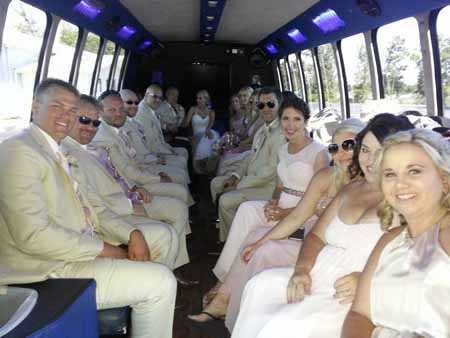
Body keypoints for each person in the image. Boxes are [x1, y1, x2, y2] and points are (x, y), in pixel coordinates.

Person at [0, 79, 176, 338]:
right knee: (160, 282)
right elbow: (34, 236)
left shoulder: (53, 150)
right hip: (43, 268)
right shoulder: (19, 150)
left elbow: (91, 208)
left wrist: (131, 234)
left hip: (69, 251)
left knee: (153, 258)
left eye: (72, 110)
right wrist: (110, 250)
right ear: (35, 106)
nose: (66, 116)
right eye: (57, 106)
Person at [231, 113, 413, 338]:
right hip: (319, 272)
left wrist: (366, 281)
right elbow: (316, 236)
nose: (369, 160)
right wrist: (302, 270)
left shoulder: (407, 198)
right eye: (365, 150)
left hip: (350, 291)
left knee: (283, 326)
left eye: (380, 152)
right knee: (258, 287)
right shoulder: (351, 189)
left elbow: (414, 261)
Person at [189, 95, 333, 324]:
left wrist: (284, 213)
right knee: (247, 210)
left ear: (306, 122)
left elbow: (320, 200)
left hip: (302, 214)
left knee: (254, 236)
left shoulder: (318, 153)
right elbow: (279, 184)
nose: (290, 125)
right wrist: (273, 202)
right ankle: (225, 278)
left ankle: (223, 293)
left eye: (297, 119)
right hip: (282, 205)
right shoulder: (284, 149)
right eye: (286, 119)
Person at [342, 129, 450, 338]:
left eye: (414, 171)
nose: (400, 184)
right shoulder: (389, 240)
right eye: (390, 174)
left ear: (444, 180)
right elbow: (358, 315)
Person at [62, 94, 190, 269]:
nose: (90, 127)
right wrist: (131, 204)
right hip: (109, 217)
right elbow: (95, 205)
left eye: (95, 122)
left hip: (125, 197)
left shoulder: (88, 146)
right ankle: (160, 277)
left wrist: (134, 190)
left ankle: (170, 268)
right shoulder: (69, 154)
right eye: (84, 120)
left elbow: (119, 174)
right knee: (165, 232)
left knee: (176, 209)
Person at [89, 90, 193, 205]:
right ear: (100, 112)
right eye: (112, 110)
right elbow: (128, 171)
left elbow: (134, 157)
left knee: (180, 179)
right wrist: (157, 178)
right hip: (130, 187)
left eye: (121, 109)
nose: (118, 113)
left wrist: (155, 171)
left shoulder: (118, 129)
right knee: (179, 193)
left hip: (139, 174)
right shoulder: (105, 137)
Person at [211, 87, 286, 241]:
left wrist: (239, 185)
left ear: (280, 105)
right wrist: (234, 176)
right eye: (261, 105)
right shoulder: (262, 130)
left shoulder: (281, 133)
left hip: (268, 187)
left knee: (226, 200)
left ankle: (237, 241)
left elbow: (270, 171)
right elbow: (249, 158)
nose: (265, 109)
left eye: (270, 104)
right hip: (252, 179)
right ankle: (227, 231)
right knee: (216, 183)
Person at [120, 88, 188, 172]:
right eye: (129, 102)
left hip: (151, 156)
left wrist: (169, 150)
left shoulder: (144, 115)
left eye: (136, 103)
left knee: (183, 154)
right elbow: (148, 145)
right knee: (180, 166)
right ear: (146, 95)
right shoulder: (141, 115)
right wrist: (157, 158)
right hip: (146, 163)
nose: (134, 105)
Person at [135, 84, 189, 163]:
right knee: (182, 156)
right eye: (154, 96)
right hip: (155, 149)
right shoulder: (142, 113)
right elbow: (152, 144)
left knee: (184, 150)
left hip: (165, 140)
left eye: (160, 98)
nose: (158, 100)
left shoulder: (151, 110)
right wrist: (170, 152)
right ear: (146, 95)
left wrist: (169, 149)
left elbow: (157, 137)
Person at [184, 89, 220, 173]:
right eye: (197, 98)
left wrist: (207, 130)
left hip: (207, 133)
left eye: (200, 98)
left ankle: (211, 165)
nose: (197, 100)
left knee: (214, 142)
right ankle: (203, 167)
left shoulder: (211, 112)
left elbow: (210, 124)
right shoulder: (193, 109)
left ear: (206, 99)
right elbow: (185, 123)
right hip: (197, 135)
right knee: (198, 143)